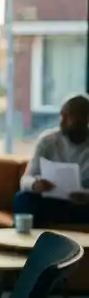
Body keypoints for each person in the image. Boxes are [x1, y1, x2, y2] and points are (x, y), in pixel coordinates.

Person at [13, 93, 89, 226]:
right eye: (61, 116)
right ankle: (21, 238)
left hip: (81, 206)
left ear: (86, 119)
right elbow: (25, 180)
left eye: (68, 116)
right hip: (50, 202)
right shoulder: (47, 141)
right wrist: (35, 185)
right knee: (22, 198)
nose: (62, 122)